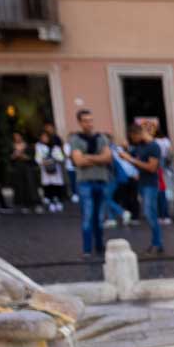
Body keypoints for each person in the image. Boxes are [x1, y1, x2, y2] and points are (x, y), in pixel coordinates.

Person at [68, 108, 113, 258]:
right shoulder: (75, 139)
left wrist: (88, 157)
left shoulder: (102, 138)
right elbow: (78, 161)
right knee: (87, 216)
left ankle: (100, 246)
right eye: (86, 121)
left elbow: (108, 158)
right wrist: (98, 157)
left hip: (101, 180)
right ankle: (87, 249)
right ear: (80, 122)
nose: (89, 123)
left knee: (99, 217)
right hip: (84, 182)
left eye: (91, 120)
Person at [118, 122, 164, 255]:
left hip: (151, 184)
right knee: (150, 214)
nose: (133, 141)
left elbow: (152, 167)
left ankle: (157, 243)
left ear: (136, 134)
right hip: (142, 184)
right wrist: (126, 151)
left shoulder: (154, 146)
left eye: (132, 138)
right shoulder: (140, 146)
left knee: (150, 214)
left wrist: (130, 160)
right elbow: (133, 157)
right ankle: (156, 243)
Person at [35, 131, 66, 212]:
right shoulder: (39, 147)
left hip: (55, 171)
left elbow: (61, 158)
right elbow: (37, 159)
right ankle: (51, 203)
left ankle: (58, 202)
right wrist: (43, 162)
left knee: (56, 187)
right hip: (46, 171)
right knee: (49, 187)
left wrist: (54, 159)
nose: (44, 139)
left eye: (46, 137)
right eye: (42, 137)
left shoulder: (55, 147)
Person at [9, 132, 40, 212]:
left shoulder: (27, 146)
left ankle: (35, 203)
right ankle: (25, 204)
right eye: (15, 136)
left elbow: (32, 157)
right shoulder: (12, 146)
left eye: (18, 136)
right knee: (21, 186)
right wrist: (14, 155)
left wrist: (23, 156)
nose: (17, 138)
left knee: (31, 185)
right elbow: (10, 158)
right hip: (18, 169)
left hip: (27, 167)